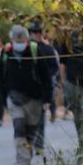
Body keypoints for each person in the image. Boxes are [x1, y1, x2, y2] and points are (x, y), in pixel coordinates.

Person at [0, 24, 53, 165]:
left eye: (22, 39)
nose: (20, 42)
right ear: (12, 39)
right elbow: (1, 78)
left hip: (35, 99)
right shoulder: (6, 53)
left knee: (30, 132)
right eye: (17, 39)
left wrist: (47, 98)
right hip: (14, 99)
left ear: (27, 39)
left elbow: (45, 76)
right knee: (19, 128)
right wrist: (4, 100)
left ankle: (26, 162)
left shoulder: (35, 51)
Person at [27, 20, 60, 156]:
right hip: (28, 88)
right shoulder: (25, 49)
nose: (35, 35)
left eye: (37, 32)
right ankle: (29, 143)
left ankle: (39, 145)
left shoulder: (47, 49)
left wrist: (47, 78)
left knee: (40, 117)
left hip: (43, 87)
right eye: (32, 33)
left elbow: (54, 66)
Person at [58, 31, 83, 140]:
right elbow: (62, 62)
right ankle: (82, 140)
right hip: (71, 82)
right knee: (77, 115)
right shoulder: (67, 39)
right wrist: (63, 81)